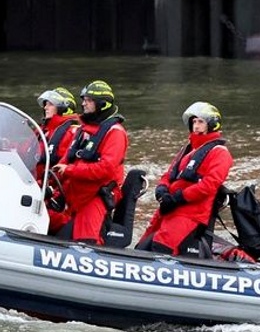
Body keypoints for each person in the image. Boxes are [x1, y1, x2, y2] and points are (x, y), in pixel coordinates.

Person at [136, 101, 232, 257]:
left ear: (212, 124)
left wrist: (179, 197)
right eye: (194, 122)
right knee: (142, 246)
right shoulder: (188, 149)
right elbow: (169, 175)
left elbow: (209, 185)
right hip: (169, 207)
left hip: (191, 213)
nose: (196, 125)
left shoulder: (220, 153)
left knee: (162, 246)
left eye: (200, 121)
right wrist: (162, 190)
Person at [48, 80, 128, 245]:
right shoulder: (82, 130)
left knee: (85, 243)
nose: (83, 103)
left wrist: (69, 170)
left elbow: (105, 169)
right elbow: (65, 161)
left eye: (88, 100)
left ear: (102, 104)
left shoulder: (115, 133)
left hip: (95, 198)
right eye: (83, 99)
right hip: (76, 198)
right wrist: (46, 185)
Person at [35, 87, 80, 212]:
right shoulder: (44, 130)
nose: (45, 108)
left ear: (63, 108)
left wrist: (51, 193)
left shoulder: (71, 132)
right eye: (45, 104)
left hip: (49, 191)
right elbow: (25, 149)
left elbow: (65, 168)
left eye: (50, 104)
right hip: (34, 184)